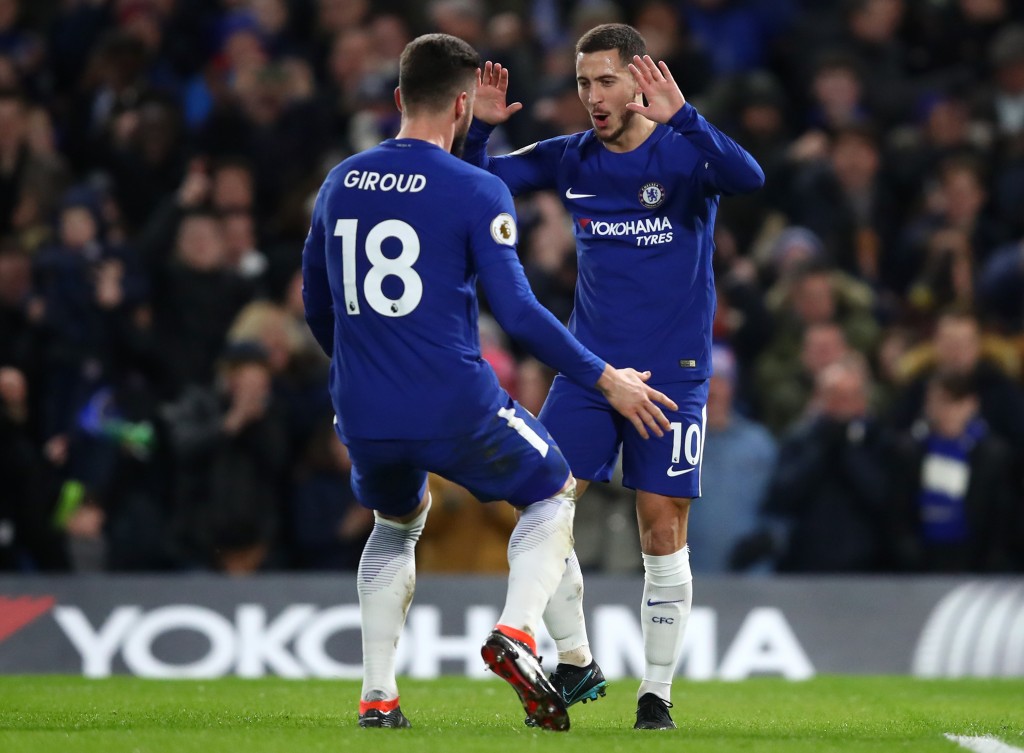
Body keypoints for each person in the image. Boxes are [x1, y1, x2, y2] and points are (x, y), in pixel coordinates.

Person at [301, 33, 675, 731]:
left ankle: (378, 696)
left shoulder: (341, 180)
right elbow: (520, 313)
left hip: (361, 405)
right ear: (465, 104)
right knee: (552, 488)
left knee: (396, 522)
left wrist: (360, 375)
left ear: (398, 99)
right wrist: (604, 378)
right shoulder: (477, 187)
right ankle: (518, 632)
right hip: (454, 400)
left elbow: (319, 308)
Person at [465, 23, 764, 729]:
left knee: (661, 530)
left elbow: (751, 178)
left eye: (605, 81)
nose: (592, 97)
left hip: (676, 376)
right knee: (540, 499)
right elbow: (482, 185)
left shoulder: (685, 154)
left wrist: (686, 116)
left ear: (638, 81)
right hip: (593, 372)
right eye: (582, 83)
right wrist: (478, 134)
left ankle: (655, 693)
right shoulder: (571, 159)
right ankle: (576, 657)